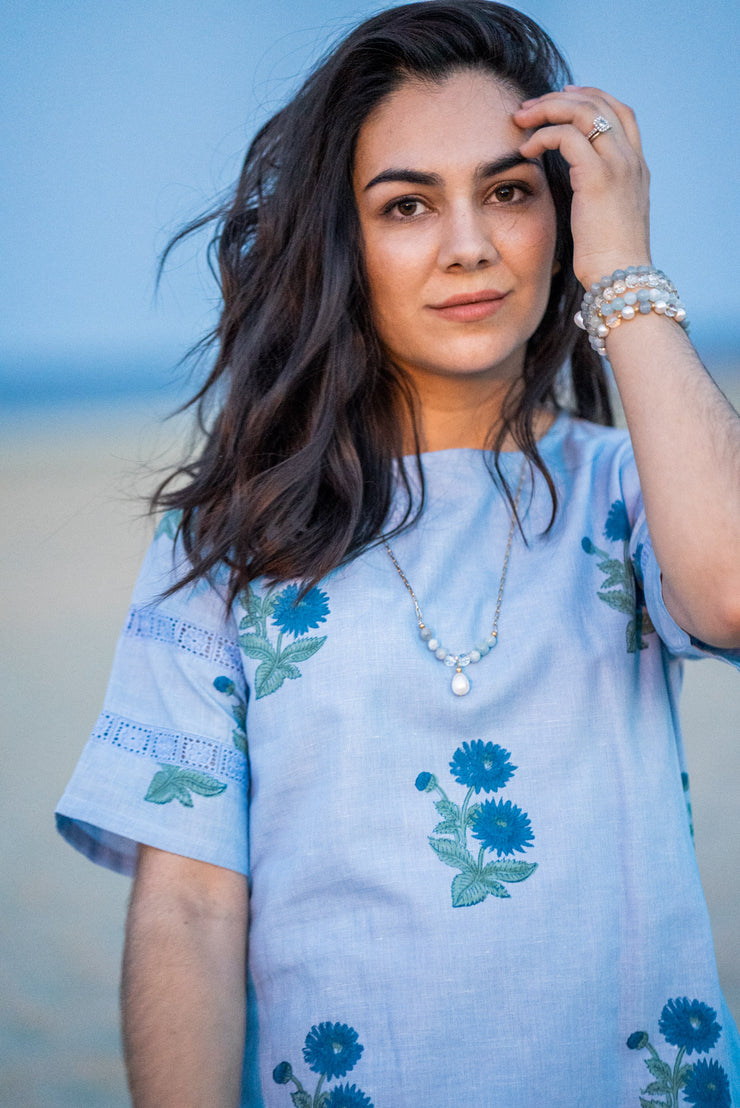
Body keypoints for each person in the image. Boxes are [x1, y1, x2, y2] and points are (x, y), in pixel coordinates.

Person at [56, 2, 740, 1104]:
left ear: (558, 219)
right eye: (407, 204)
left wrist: (622, 269)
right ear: (344, 241)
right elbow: (187, 904)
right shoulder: (232, 539)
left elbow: (730, 591)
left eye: (509, 192)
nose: (466, 244)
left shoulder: (632, 488)